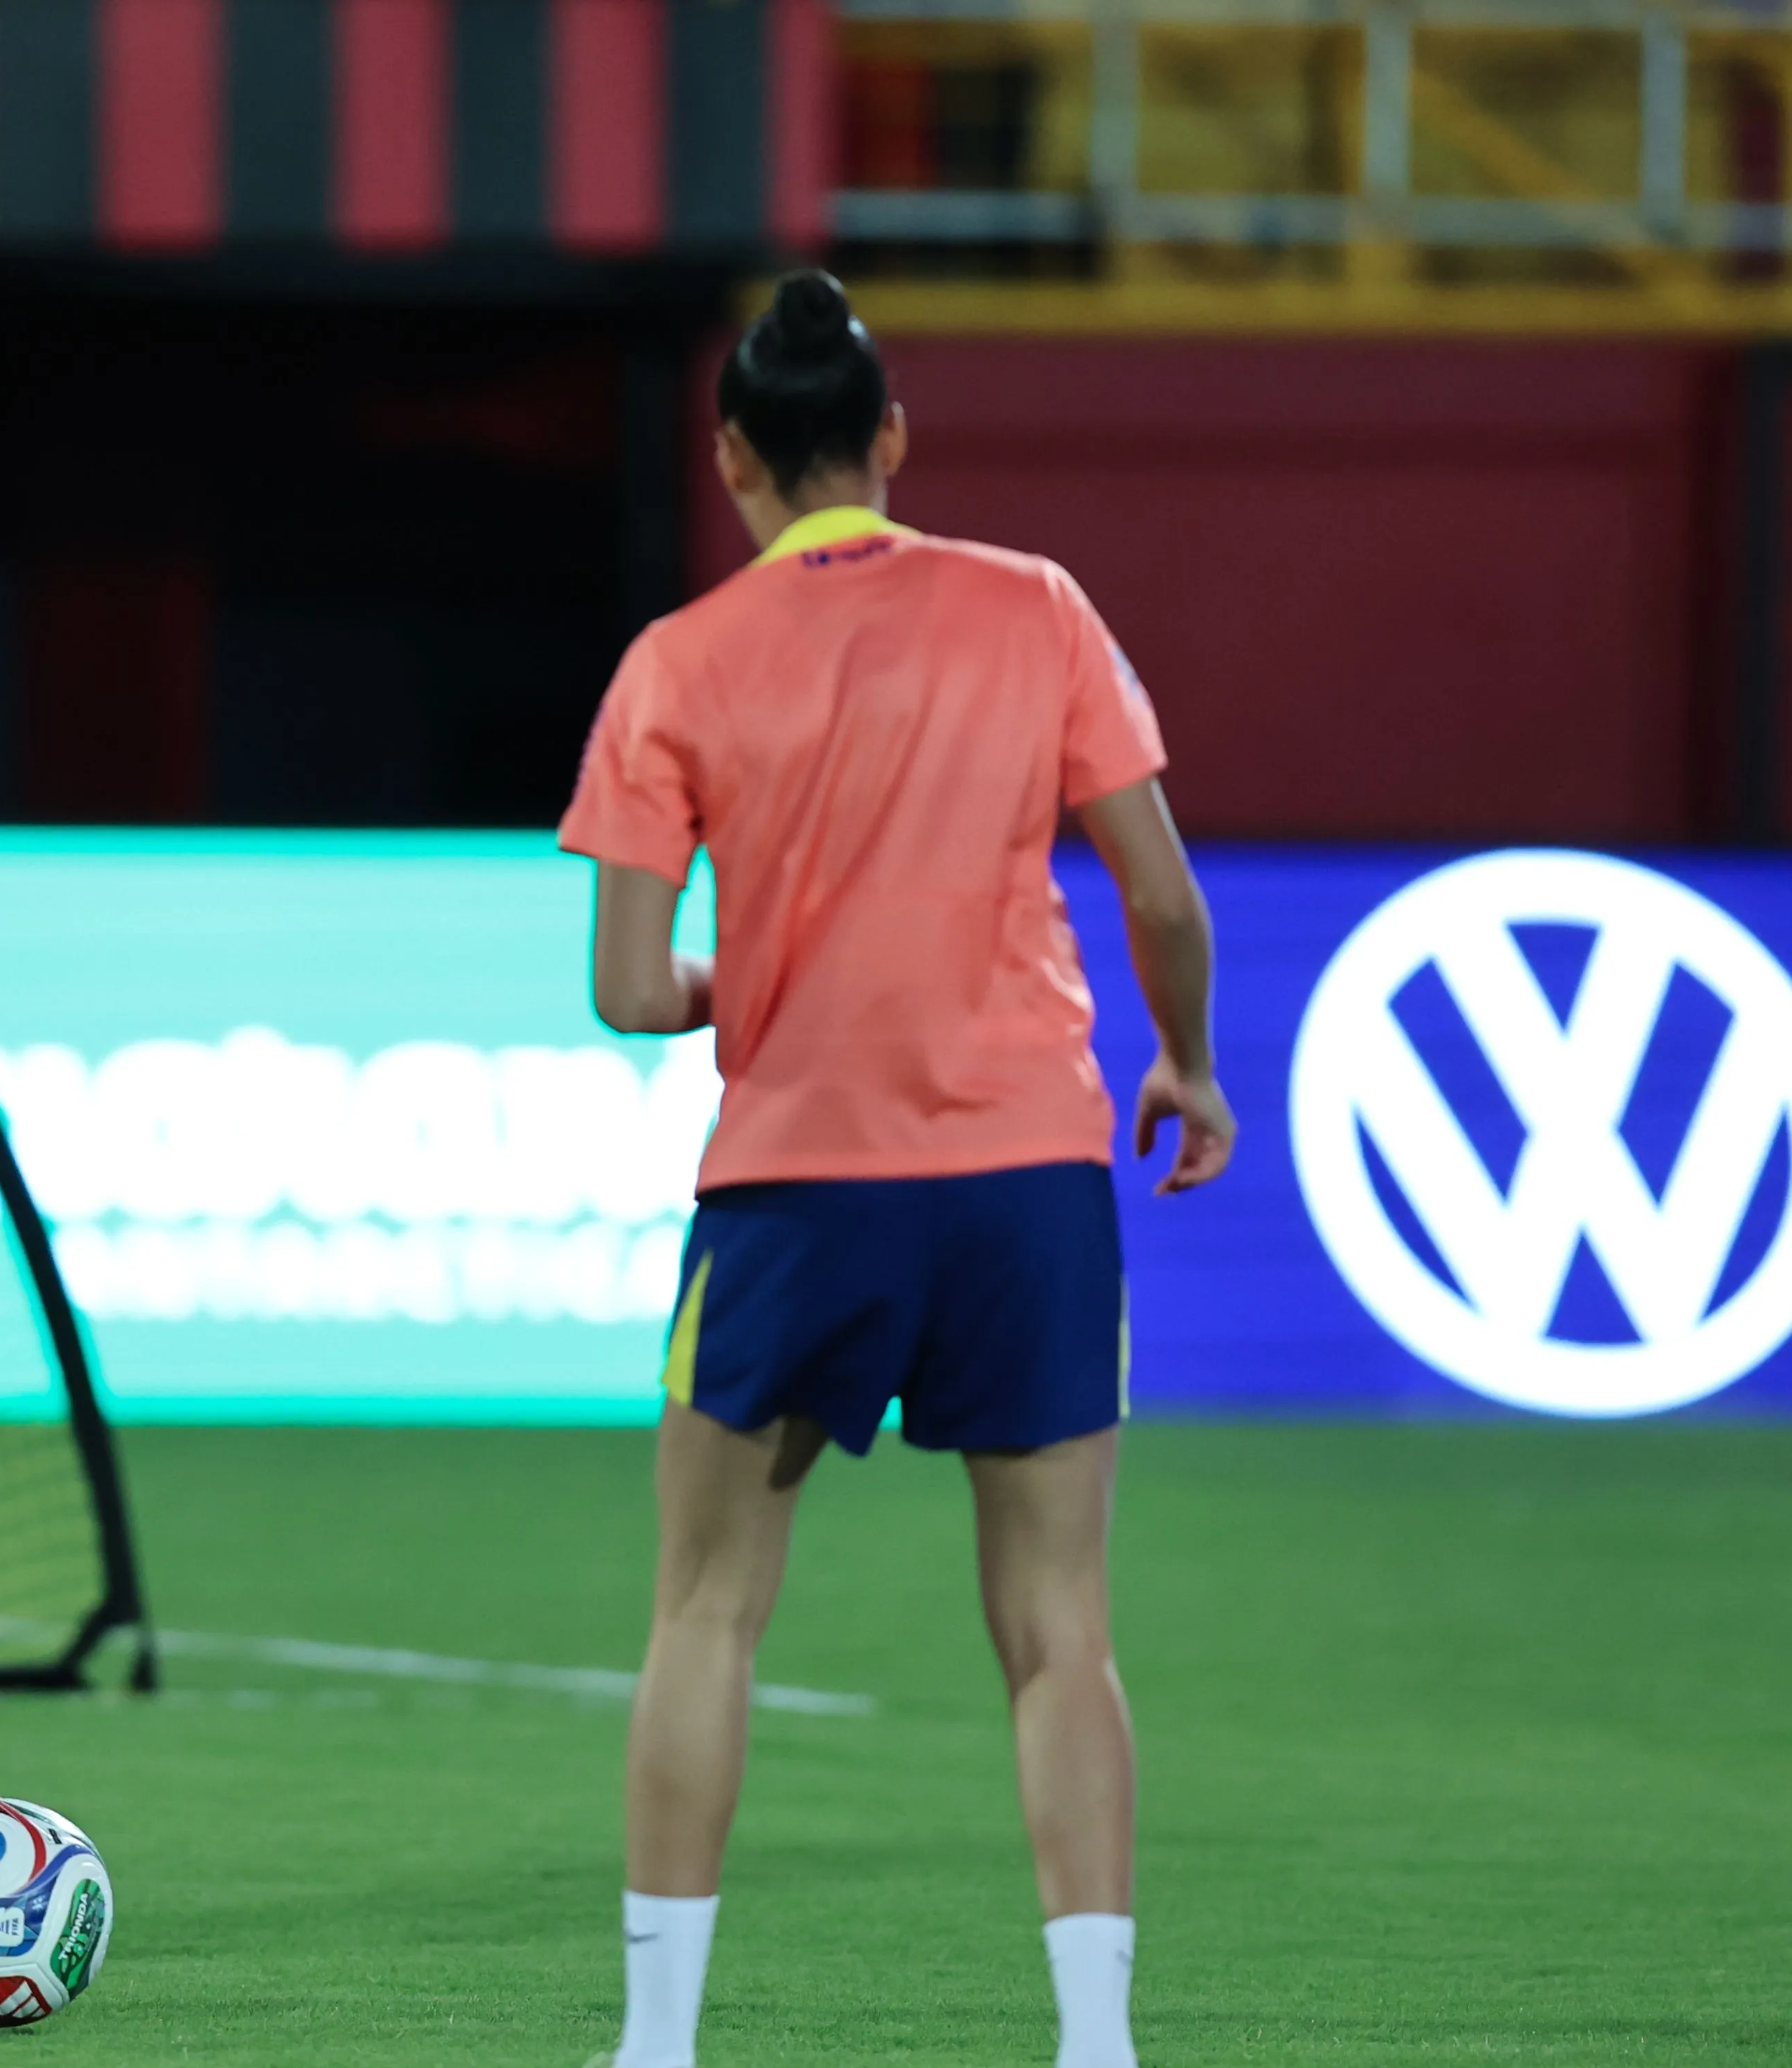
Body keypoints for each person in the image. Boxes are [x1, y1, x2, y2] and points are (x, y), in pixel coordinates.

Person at [559, 270, 1236, 2068]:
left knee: (706, 1606)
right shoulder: (1035, 610)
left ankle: (654, 2041)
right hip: (1022, 1171)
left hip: (793, 1180)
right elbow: (1157, 890)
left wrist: (751, 969)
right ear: (888, 441)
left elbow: (628, 985)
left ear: (729, 462)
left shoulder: (675, 663)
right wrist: (1182, 1060)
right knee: (1053, 1630)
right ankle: (1094, 2042)